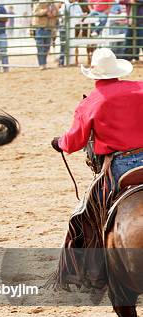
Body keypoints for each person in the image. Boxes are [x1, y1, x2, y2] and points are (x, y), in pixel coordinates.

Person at [50, 48, 143, 288]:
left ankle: (83, 272)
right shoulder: (140, 89)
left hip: (120, 166)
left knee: (83, 214)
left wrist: (59, 143)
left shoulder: (91, 102)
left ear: (94, 74)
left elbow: (74, 141)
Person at [32, 0, 59, 70]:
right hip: (40, 27)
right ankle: (41, 64)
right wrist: (46, 11)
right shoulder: (40, 3)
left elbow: (57, 14)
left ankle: (44, 63)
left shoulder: (53, 5)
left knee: (46, 48)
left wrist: (54, 13)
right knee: (40, 47)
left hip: (49, 28)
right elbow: (36, 13)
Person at [58, 0, 84, 66]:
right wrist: (77, 16)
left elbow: (80, 14)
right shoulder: (64, 4)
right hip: (64, 26)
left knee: (71, 43)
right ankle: (62, 61)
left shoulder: (76, 4)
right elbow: (64, 15)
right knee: (63, 44)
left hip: (73, 26)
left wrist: (80, 15)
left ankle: (70, 61)